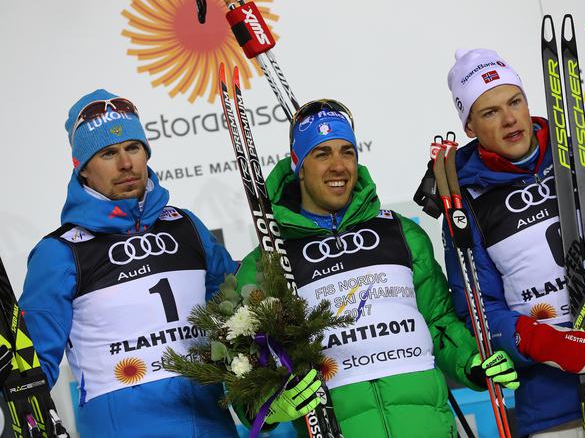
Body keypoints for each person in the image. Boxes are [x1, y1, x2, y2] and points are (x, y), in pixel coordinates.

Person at [236, 99, 520, 437]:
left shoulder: (400, 232)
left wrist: (472, 360)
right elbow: (247, 367)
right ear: (298, 165)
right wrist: (271, 403)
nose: (338, 166)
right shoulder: (269, 258)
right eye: (322, 154)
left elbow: (438, 321)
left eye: (347, 152)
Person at [443, 48, 585, 438]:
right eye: (489, 112)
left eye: (514, 101)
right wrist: (542, 342)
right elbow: (478, 310)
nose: (509, 119)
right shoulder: (467, 204)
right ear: (469, 126)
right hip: (555, 404)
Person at [18, 90, 240, 438]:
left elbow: (240, 312)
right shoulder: (59, 252)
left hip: (213, 427)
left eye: (133, 148)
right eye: (108, 153)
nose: (126, 164)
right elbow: (29, 373)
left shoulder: (186, 227)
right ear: (83, 169)